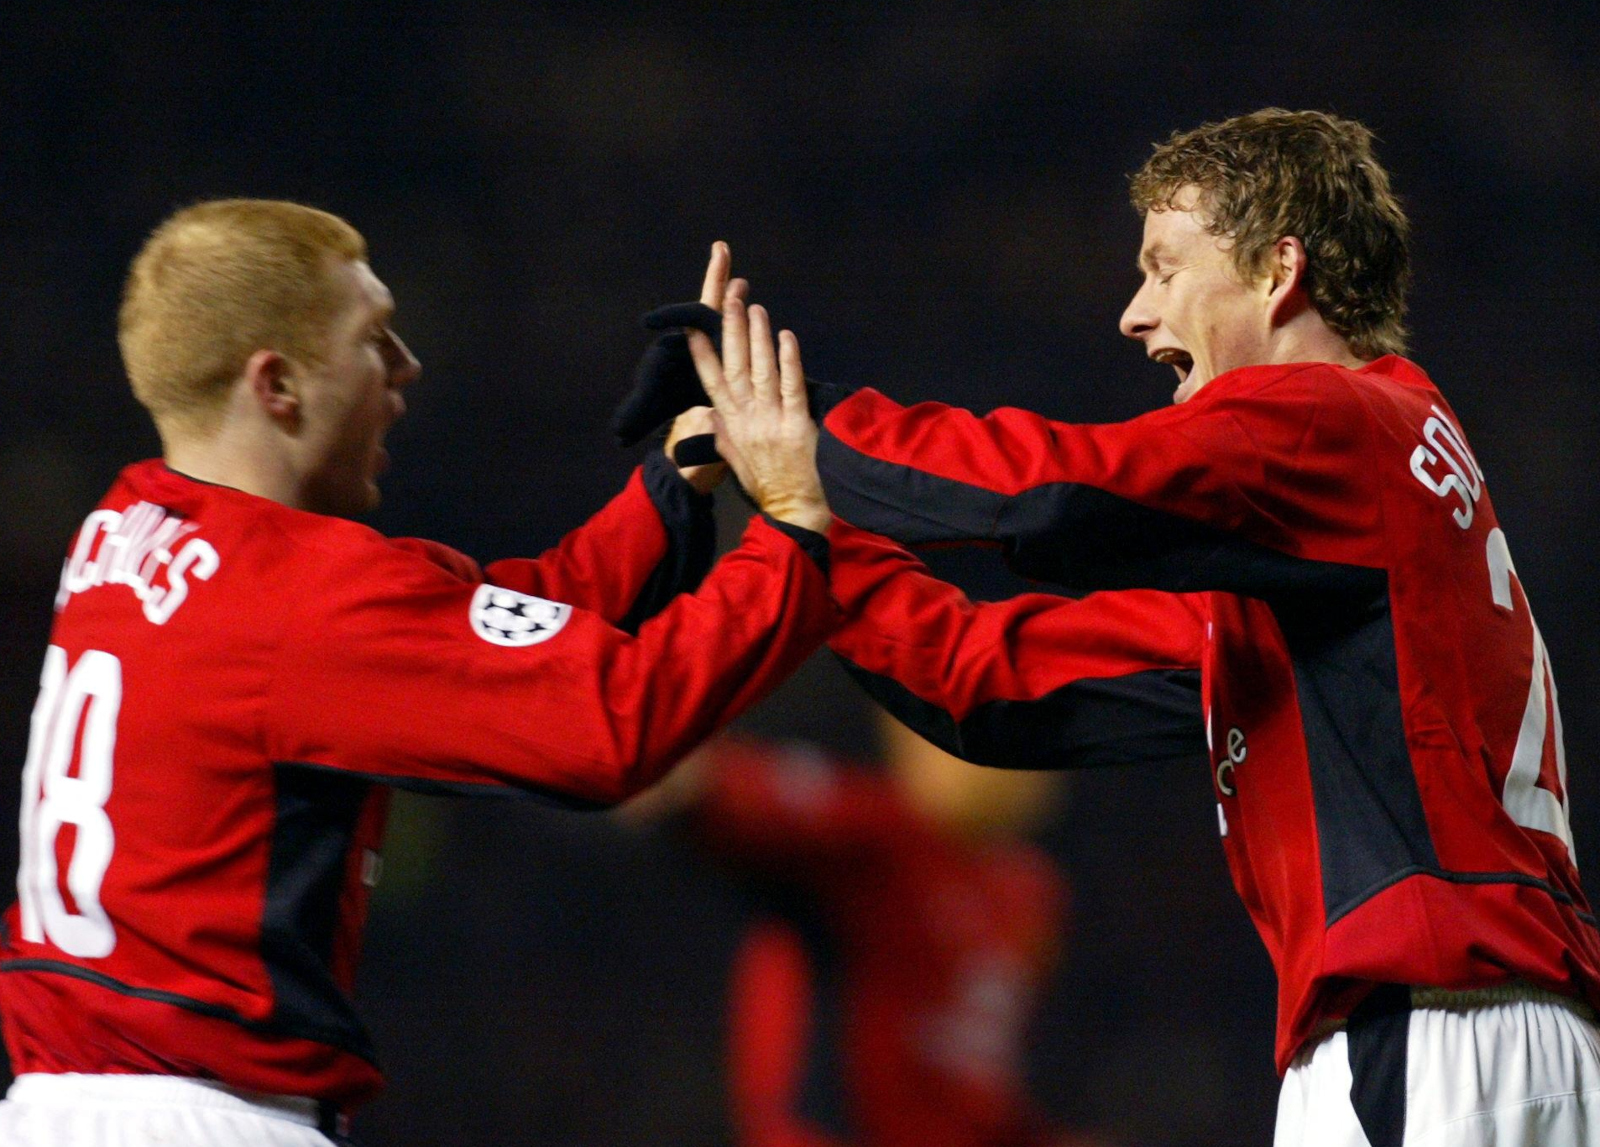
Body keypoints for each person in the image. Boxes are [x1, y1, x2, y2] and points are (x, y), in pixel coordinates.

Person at [637, 110, 1600, 1145]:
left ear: (1278, 273)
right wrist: (807, 527)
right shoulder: (1343, 524)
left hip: (1422, 1037)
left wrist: (798, 421)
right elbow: (997, 689)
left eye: (1164, 267)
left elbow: (1050, 493)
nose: (1134, 315)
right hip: (1493, 1033)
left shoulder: (1334, 421)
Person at [0, 201, 834, 1146]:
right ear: (277, 384)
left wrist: (674, 483)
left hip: (53, 1105)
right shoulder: (299, 596)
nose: (405, 368)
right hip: (205, 1117)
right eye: (374, 339)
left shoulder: (125, 523)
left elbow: (481, 632)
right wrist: (796, 529)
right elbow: (610, 722)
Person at [627, 711, 1112, 1147]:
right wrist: (657, 761)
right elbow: (731, 788)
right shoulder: (873, 832)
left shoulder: (1029, 892)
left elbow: (973, 1080)